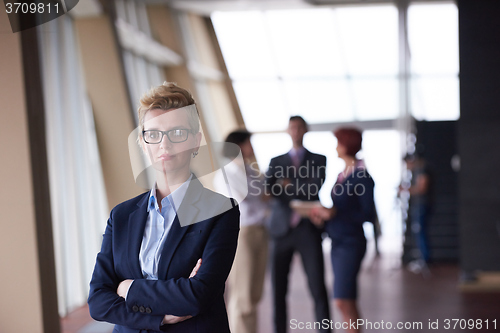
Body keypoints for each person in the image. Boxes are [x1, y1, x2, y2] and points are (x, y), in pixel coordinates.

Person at [88, 82, 240, 333]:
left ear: (195, 141)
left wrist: (128, 288)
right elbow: (97, 301)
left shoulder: (220, 211)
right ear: (142, 142)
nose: (164, 145)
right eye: (154, 134)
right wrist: (160, 318)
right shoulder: (122, 215)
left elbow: (197, 296)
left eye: (177, 132)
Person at [265, 116, 331, 333]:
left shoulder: (319, 159)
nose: (295, 131)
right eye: (292, 127)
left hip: (307, 230)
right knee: (278, 291)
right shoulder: (276, 161)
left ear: (305, 130)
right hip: (281, 230)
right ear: (288, 130)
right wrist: (297, 186)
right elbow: (270, 191)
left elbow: (314, 189)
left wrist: (287, 184)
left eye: (299, 127)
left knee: (317, 287)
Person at [310, 127, 375, 333]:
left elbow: (368, 214)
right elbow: (339, 210)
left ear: (347, 145)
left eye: (338, 142)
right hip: (338, 242)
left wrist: (335, 213)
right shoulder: (343, 174)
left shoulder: (362, 177)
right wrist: (324, 218)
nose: (336, 147)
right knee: (346, 299)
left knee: (343, 299)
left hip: (351, 243)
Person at [214, 130, 269, 333]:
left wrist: (262, 200)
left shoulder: (250, 170)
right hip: (242, 233)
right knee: (242, 294)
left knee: (254, 293)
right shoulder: (226, 175)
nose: (252, 148)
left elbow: (262, 197)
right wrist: (262, 200)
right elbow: (243, 204)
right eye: (248, 143)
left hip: (260, 231)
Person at [403, 153, 432, 264]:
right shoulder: (419, 170)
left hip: (422, 205)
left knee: (420, 232)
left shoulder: (422, 170)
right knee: (419, 232)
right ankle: (423, 259)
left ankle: (424, 260)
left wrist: (406, 190)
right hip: (420, 205)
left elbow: (422, 188)